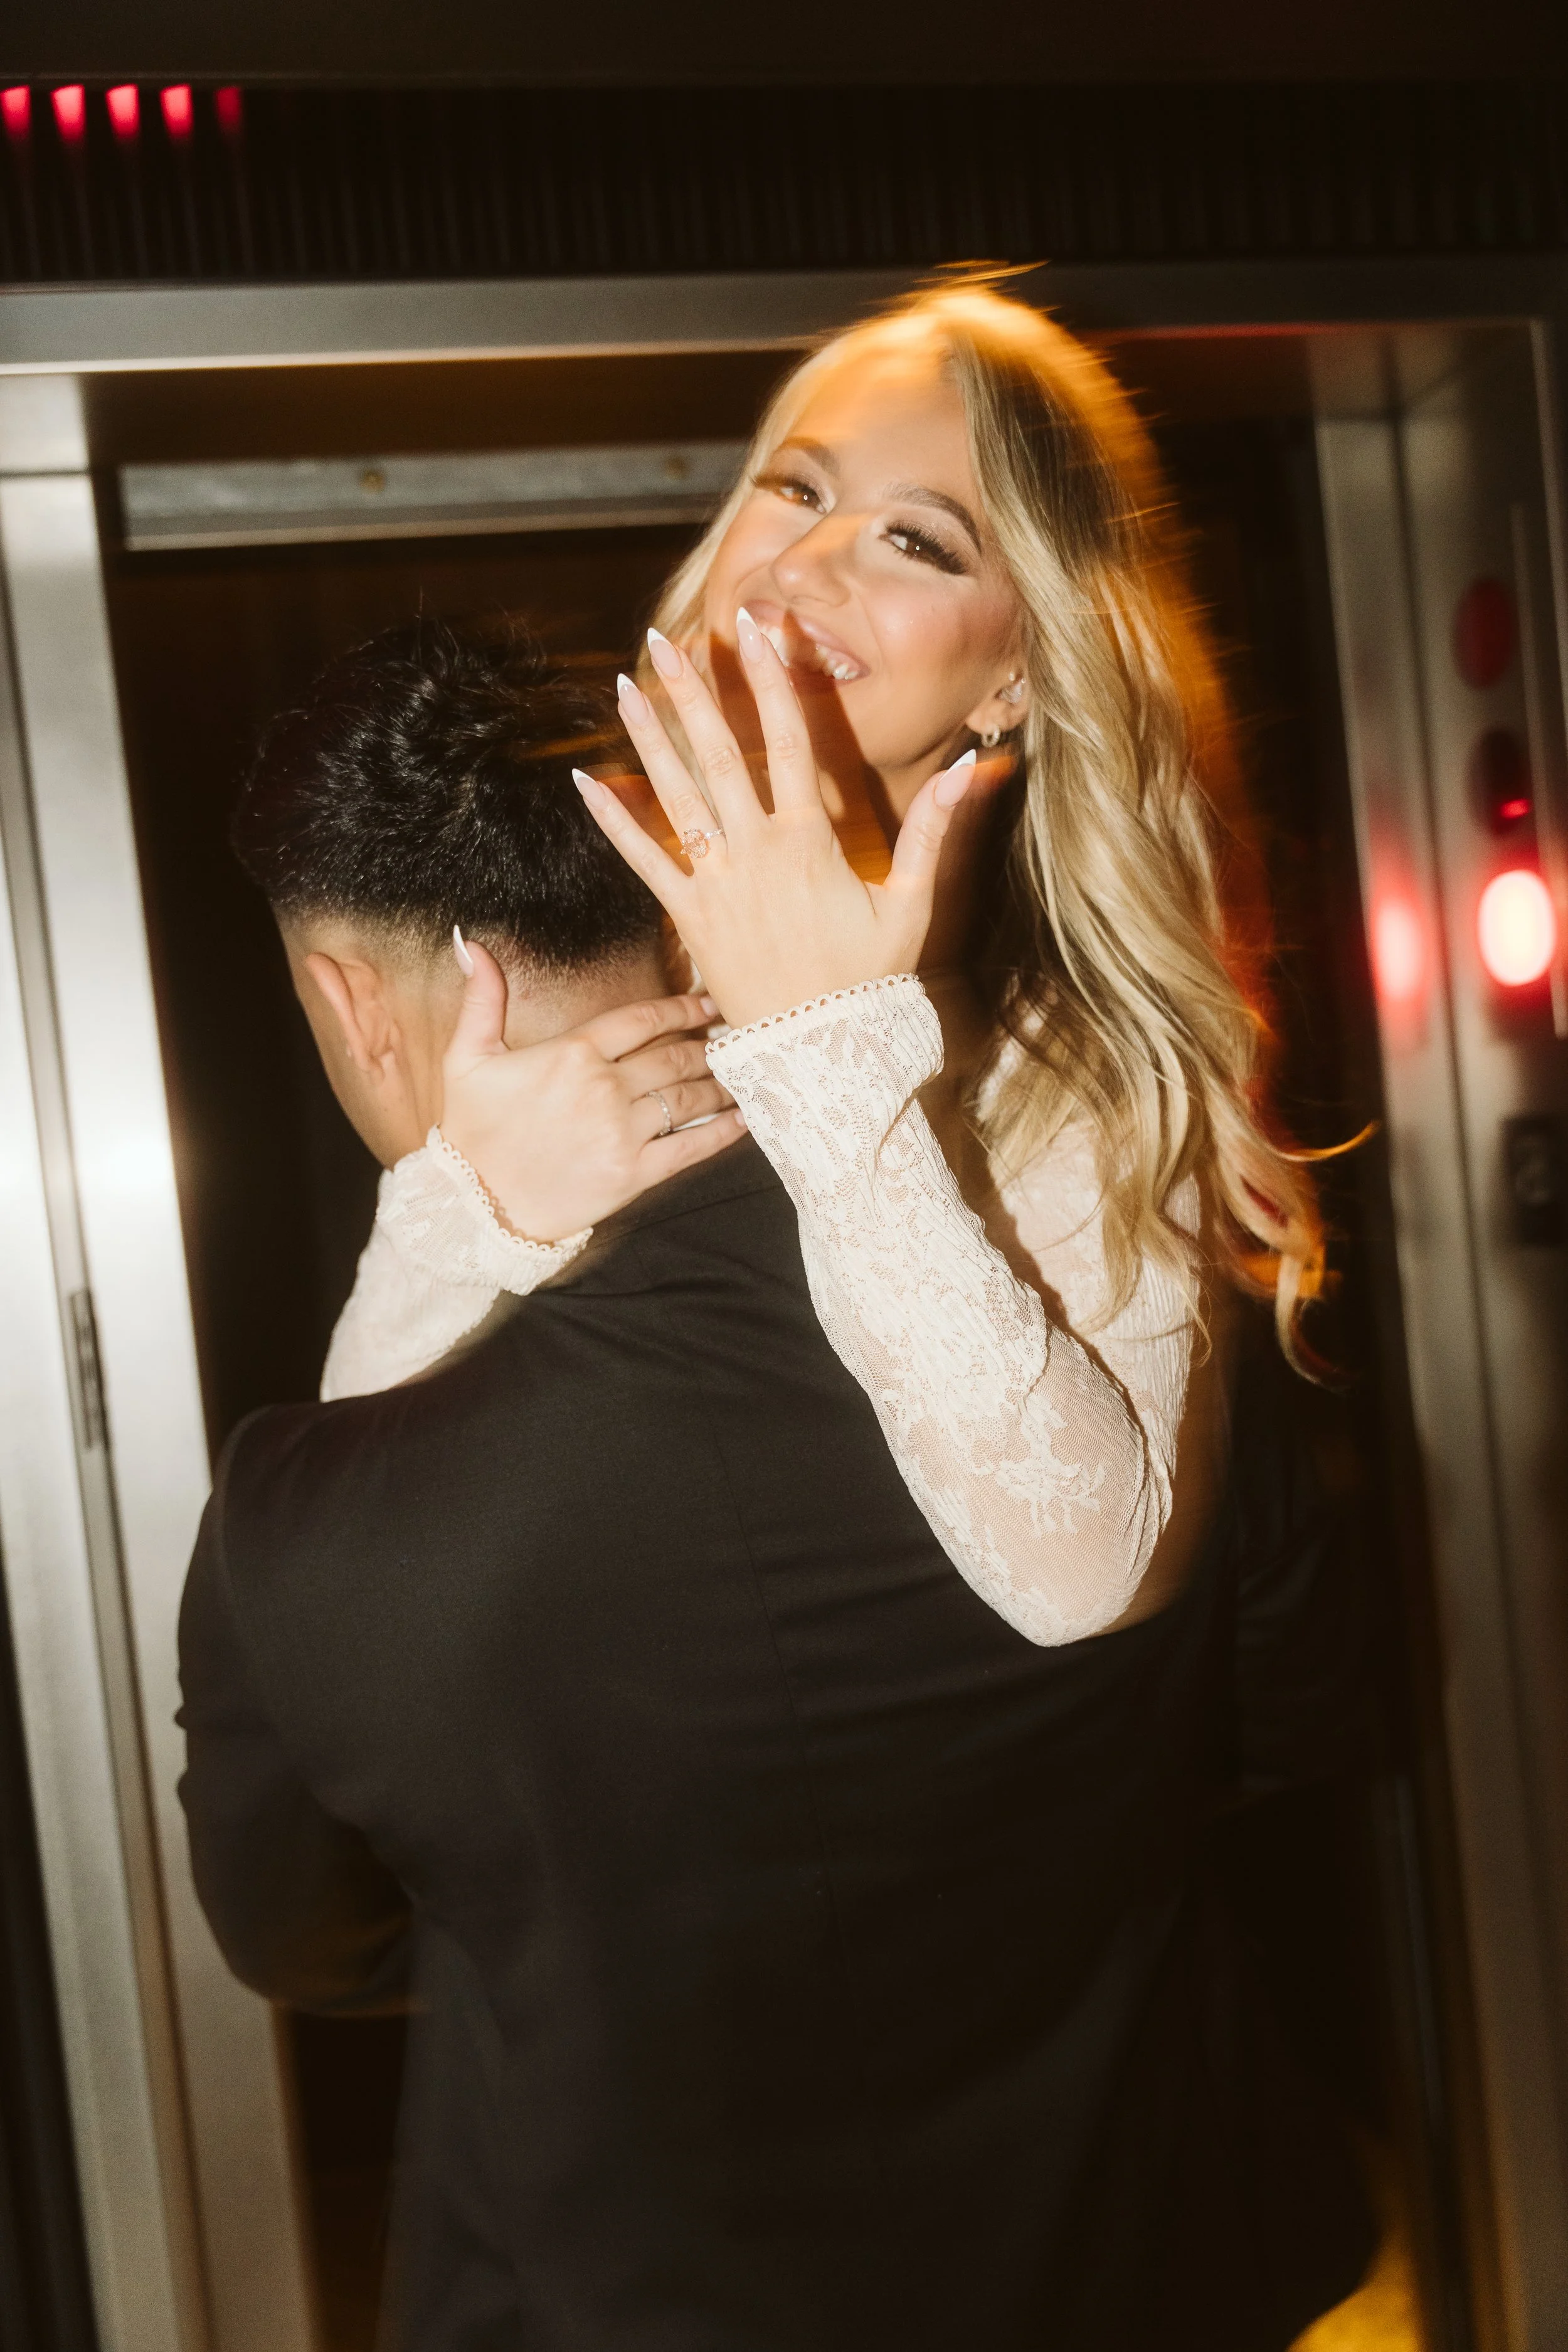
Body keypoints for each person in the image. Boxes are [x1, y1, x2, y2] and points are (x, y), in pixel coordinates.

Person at [182, 617, 1373, 2350]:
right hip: (1146, 2254)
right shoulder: (1091, 1266)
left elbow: (304, 1942)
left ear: (353, 1005)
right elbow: (1302, 1703)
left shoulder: (302, 1509)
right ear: (682, 913)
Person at [320, 279, 1327, 1656]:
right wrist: (470, 1209)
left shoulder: (1069, 1078)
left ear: (1017, 677)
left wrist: (826, 1054)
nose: (803, 563)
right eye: (795, 489)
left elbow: (1082, 1579)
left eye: (918, 539)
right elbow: (344, 1510)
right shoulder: (546, 927)